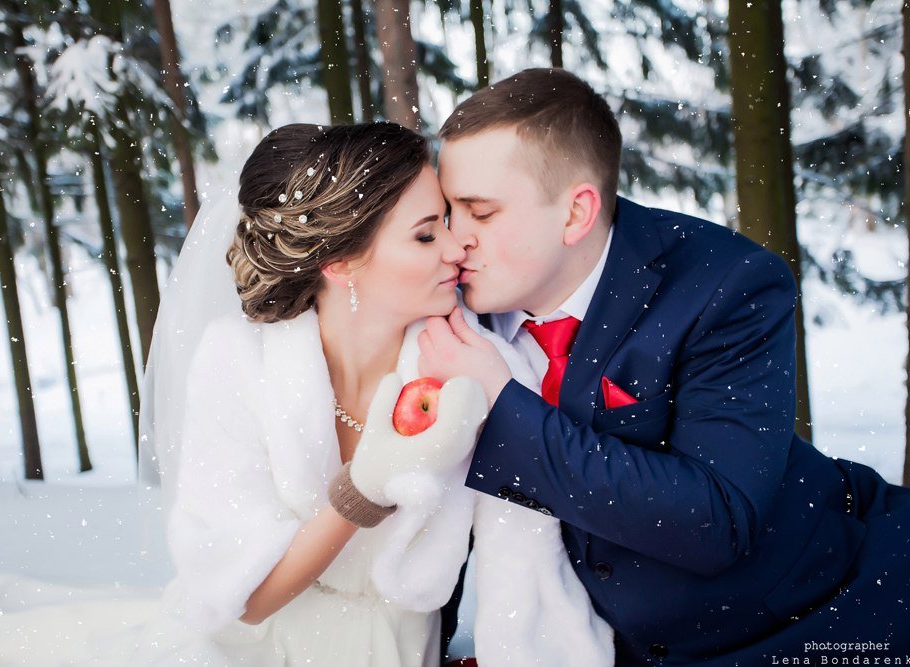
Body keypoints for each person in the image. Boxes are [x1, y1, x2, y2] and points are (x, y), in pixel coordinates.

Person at [421, 68, 910, 664]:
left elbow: (716, 520)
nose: (454, 240)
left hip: (818, 614)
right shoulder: (443, 300)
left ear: (576, 214)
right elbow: (427, 500)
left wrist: (503, 404)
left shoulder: (726, 284)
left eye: (480, 213)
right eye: (447, 211)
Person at [135, 121, 613, 666]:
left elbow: (526, 579)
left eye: (446, 223)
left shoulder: (482, 371)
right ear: (339, 263)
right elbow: (241, 597)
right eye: (426, 235)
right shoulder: (236, 361)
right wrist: (363, 489)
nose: (457, 248)